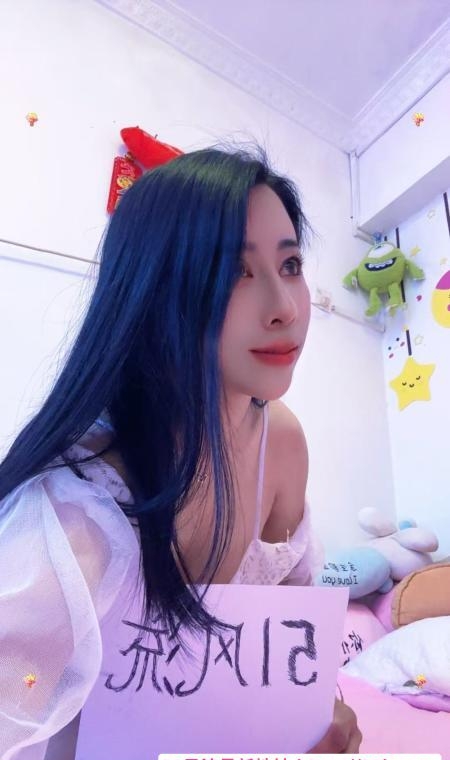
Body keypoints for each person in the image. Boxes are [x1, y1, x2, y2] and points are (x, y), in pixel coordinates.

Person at [0, 146, 361, 757]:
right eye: (234, 271)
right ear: (153, 289)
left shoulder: (283, 441)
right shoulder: (77, 509)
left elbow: (290, 629)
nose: (285, 308)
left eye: (290, 264)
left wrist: (315, 716)